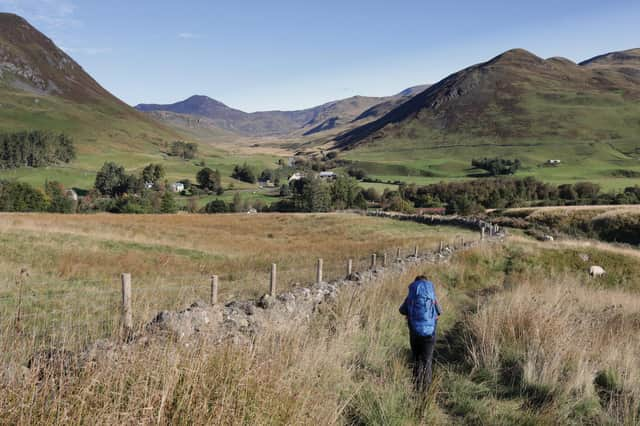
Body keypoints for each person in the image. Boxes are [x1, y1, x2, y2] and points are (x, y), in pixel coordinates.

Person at [399, 275, 442, 392]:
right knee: (427, 361)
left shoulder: (412, 297)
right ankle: (426, 390)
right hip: (430, 334)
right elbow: (440, 311)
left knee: (416, 359)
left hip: (414, 333)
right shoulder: (431, 295)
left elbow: (401, 310)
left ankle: (416, 387)